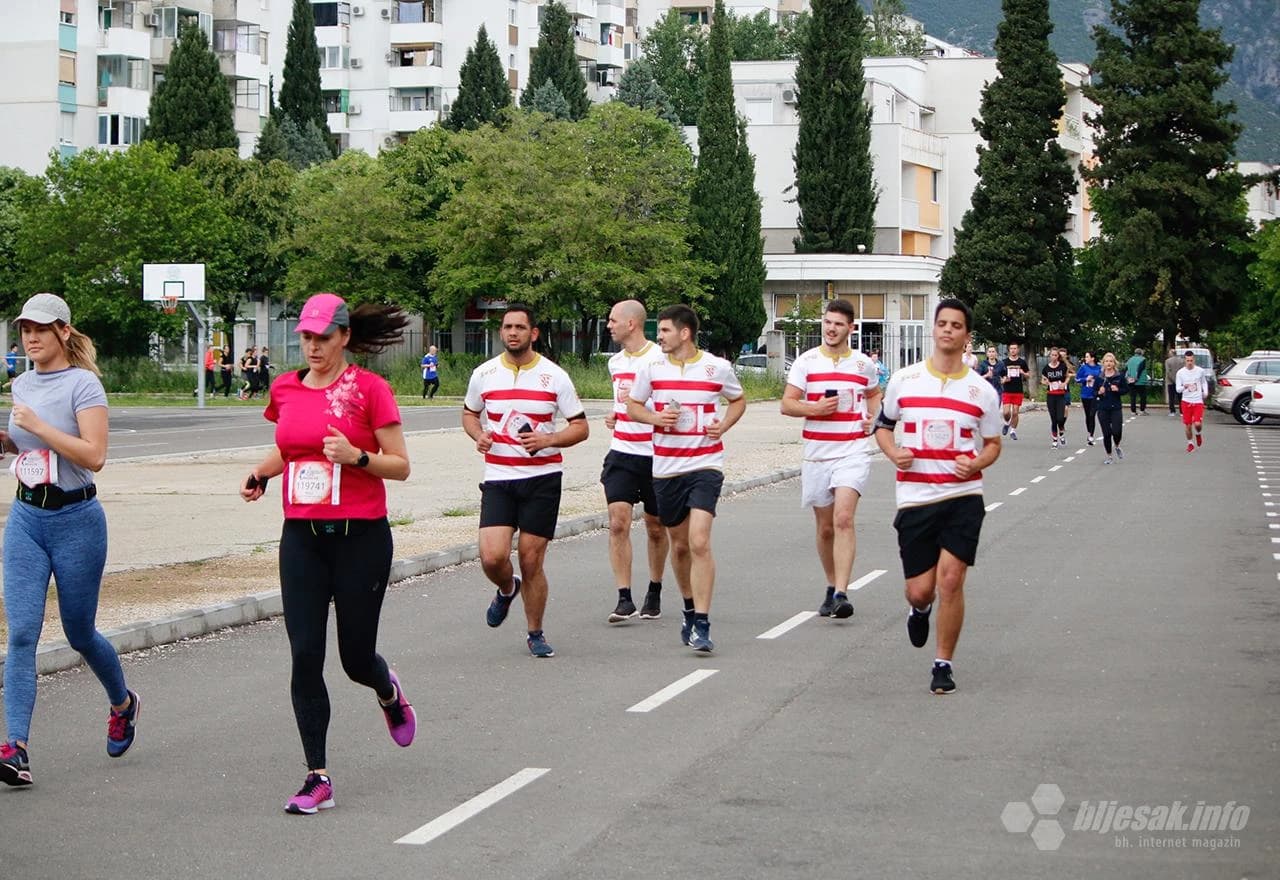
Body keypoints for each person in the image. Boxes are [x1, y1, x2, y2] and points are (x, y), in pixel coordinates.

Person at [241, 292, 416, 815]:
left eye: (322, 337)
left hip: (360, 537)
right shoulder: (286, 388)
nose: (312, 346)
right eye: (306, 337)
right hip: (302, 538)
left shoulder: (370, 390)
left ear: (343, 336)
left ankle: (386, 689)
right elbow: (290, 445)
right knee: (304, 654)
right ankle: (317, 775)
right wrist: (260, 473)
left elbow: (400, 465)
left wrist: (358, 457)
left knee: (354, 658)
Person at [0, 293, 139, 788]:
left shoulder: (84, 385)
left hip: (77, 519)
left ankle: (123, 702)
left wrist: (36, 425)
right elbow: (28, 446)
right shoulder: (21, 383)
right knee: (21, 633)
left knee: (79, 633)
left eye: (39, 329)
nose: (30, 338)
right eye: (23, 330)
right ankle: (15, 748)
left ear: (62, 331)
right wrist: (10, 441)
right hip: (25, 519)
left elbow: (94, 455)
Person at [874, 298, 1002, 695]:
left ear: (966, 336)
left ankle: (943, 663)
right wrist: (894, 452)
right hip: (916, 497)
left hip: (963, 495)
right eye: (942, 323)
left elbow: (994, 443)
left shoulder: (981, 390)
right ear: (934, 329)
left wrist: (977, 460)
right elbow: (883, 426)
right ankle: (919, 608)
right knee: (921, 588)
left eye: (956, 325)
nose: (948, 330)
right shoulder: (904, 381)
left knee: (951, 579)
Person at [462, 304, 588, 659]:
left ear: (533, 333)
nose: (512, 332)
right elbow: (470, 412)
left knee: (532, 559)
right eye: (507, 327)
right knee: (491, 556)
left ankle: (535, 633)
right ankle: (506, 588)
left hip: (542, 479)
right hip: (499, 477)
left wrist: (548, 439)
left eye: (519, 327)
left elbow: (580, 427)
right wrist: (478, 434)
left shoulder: (555, 376)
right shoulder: (484, 374)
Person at [627, 304, 746, 654]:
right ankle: (690, 609)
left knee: (699, 541)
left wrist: (722, 425)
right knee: (679, 546)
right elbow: (634, 406)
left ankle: (704, 623)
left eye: (663, 331)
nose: (658, 337)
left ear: (684, 333)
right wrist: (654, 418)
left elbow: (738, 401)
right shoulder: (651, 368)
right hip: (666, 469)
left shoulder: (716, 368)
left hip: (705, 465)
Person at [781, 299, 880, 620]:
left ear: (851, 328)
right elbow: (787, 404)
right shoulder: (806, 362)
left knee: (843, 519)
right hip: (817, 454)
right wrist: (813, 409)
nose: (831, 328)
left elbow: (873, 393)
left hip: (852, 451)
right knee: (825, 528)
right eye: (827, 322)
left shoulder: (863, 364)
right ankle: (829, 584)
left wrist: (873, 418)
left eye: (838, 324)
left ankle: (841, 592)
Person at [601, 300, 669, 624]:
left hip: (656, 455)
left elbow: (668, 405)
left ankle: (654, 588)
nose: (608, 325)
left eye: (613, 320)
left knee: (656, 528)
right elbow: (623, 401)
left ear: (632, 324)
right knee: (618, 522)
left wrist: (647, 416)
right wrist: (616, 414)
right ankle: (624, 598)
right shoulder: (615, 362)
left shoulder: (660, 359)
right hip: (622, 452)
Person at [1095, 352, 1128, 464]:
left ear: (1114, 363)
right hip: (1103, 408)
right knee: (1107, 433)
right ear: (1103, 363)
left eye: (1111, 361)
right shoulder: (1099, 378)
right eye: (1106, 361)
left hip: (1115, 407)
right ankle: (1109, 456)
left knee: (1117, 431)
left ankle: (1117, 445)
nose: (1108, 363)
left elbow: (1126, 390)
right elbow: (1094, 393)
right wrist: (1099, 392)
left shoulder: (1119, 376)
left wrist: (1117, 390)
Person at [1176, 349, 1209, 453]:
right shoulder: (1180, 373)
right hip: (1186, 401)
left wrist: (1205, 392)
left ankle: (1198, 434)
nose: (1189, 363)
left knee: (1198, 424)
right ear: (1185, 361)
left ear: (1194, 360)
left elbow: (1204, 382)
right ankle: (1190, 443)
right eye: (1187, 360)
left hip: (1198, 400)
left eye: (1191, 360)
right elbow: (1178, 389)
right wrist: (1184, 387)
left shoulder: (1200, 371)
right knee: (1188, 425)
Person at [996, 342, 1029, 440]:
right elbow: (1000, 376)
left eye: (1015, 348)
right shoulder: (1004, 362)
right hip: (1007, 390)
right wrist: (1004, 380)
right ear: (1009, 350)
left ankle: (1013, 431)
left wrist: (1023, 372)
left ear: (1018, 350)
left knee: (1015, 413)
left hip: (1018, 390)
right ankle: (1006, 423)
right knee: (1006, 413)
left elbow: (1029, 375)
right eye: (1011, 349)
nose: (1013, 350)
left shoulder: (1022, 362)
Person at [1040, 348, 1069, 448]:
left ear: (1058, 356)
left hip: (1060, 395)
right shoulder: (1046, 368)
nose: (1054, 357)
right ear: (1049, 356)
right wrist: (1046, 382)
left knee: (1060, 418)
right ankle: (1055, 440)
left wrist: (1064, 383)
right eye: (1052, 355)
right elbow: (1042, 380)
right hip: (1051, 395)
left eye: (1055, 355)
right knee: (1053, 419)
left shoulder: (1062, 366)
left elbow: (1068, 376)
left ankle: (1061, 430)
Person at [1075, 351, 1102, 446]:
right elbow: (1077, 379)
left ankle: (1091, 435)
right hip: (1085, 394)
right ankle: (1089, 432)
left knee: (1092, 415)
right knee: (1088, 415)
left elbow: (1103, 379)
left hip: (1095, 394)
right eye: (1085, 356)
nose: (1085, 358)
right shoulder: (1083, 368)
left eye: (1087, 357)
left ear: (1092, 358)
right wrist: (1085, 379)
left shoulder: (1099, 368)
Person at [1125, 347, 1149, 414]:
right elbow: (1140, 369)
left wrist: (1128, 378)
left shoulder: (1130, 360)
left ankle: (1133, 411)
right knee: (1143, 396)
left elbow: (1126, 369)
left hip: (1130, 380)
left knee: (1133, 397)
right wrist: (1137, 378)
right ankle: (1142, 410)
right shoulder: (1143, 359)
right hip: (1140, 381)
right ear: (1141, 353)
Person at [1164, 347, 1181, 417]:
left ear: (1171, 354)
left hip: (1170, 381)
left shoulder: (1167, 361)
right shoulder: (1181, 361)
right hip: (1180, 381)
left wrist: (1173, 379)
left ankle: (1172, 411)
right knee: (1180, 397)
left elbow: (1168, 372)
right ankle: (1182, 411)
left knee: (1171, 397)